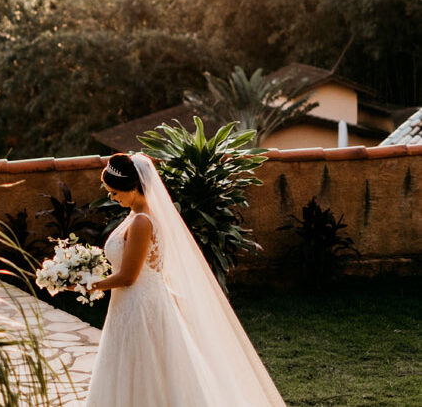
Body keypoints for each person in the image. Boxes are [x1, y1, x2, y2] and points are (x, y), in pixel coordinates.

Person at [83, 153, 286, 407]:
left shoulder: (142, 222)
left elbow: (128, 276)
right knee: (132, 366)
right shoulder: (134, 216)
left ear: (134, 187)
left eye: (115, 192)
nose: (112, 197)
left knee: (147, 368)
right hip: (130, 304)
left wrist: (86, 284)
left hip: (142, 306)